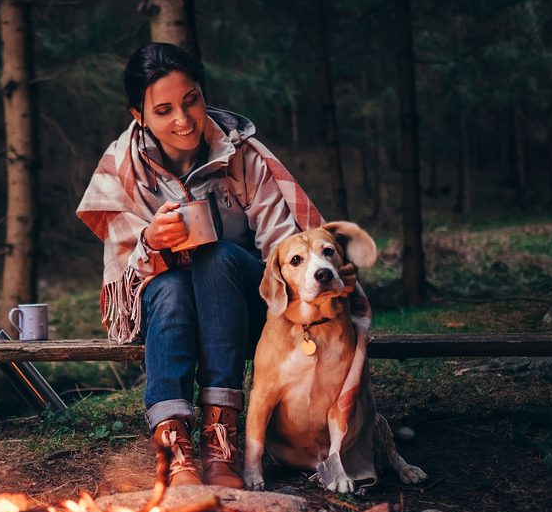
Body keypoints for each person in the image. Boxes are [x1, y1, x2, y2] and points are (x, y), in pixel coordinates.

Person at [76, 42, 350, 488]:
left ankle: (221, 438)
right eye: (163, 110)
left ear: (203, 93)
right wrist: (151, 241)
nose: (183, 119)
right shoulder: (123, 168)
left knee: (216, 257)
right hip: (168, 310)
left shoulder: (242, 155)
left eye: (191, 100)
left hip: (243, 301)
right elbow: (126, 278)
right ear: (138, 115)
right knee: (171, 287)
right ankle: (174, 447)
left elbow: (284, 247)